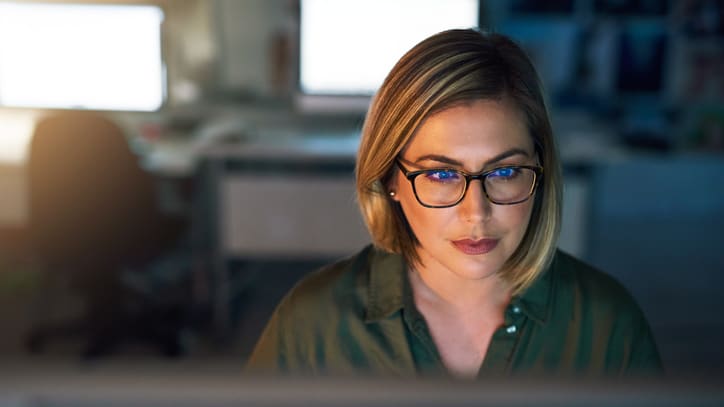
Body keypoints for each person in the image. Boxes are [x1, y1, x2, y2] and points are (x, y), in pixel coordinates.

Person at [246, 28, 662, 378]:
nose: (476, 212)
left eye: (503, 172)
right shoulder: (313, 322)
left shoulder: (607, 324)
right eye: (441, 175)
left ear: (541, 171)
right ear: (390, 178)